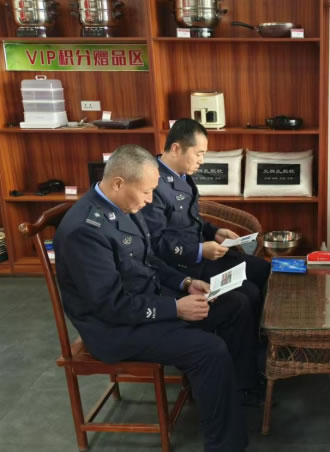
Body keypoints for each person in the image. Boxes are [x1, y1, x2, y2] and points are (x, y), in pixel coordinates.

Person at [54, 145, 256, 452]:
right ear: (119, 183)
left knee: (235, 304)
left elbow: (148, 260)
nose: (150, 200)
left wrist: (186, 282)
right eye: (147, 192)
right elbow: (110, 305)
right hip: (115, 328)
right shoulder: (84, 231)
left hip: (145, 299)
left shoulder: (122, 205)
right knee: (209, 350)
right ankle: (224, 444)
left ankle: (239, 393)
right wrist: (175, 308)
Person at [141, 118, 270, 319]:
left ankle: (263, 330)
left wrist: (214, 231)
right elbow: (154, 244)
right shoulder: (153, 185)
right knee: (250, 293)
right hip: (183, 265)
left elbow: (191, 218)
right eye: (199, 153)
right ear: (176, 149)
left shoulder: (182, 174)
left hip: (205, 253)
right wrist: (199, 250)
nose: (202, 160)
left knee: (263, 268)